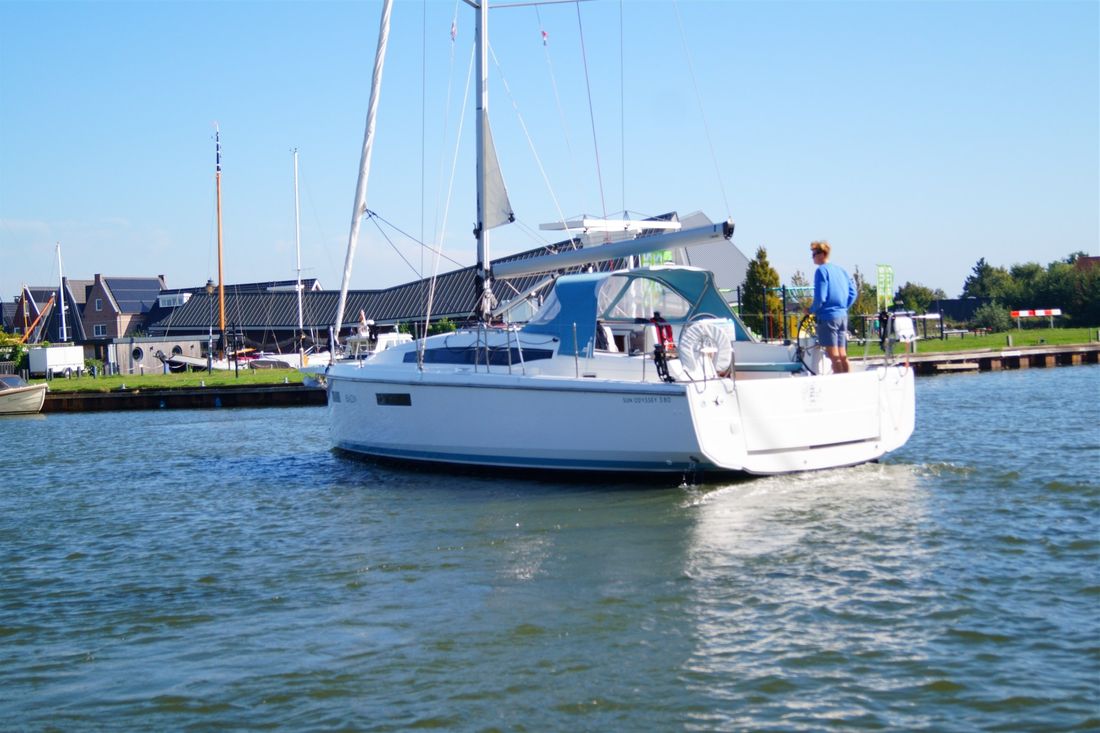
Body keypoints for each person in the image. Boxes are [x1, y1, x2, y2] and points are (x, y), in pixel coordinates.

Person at [807, 240, 857, 373]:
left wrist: (810, 310)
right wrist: (843, 307)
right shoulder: (841, 270)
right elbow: (853, 293)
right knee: (843, 355)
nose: (812, 257)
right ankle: (849, 380)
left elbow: (820, 298)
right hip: (842, 316)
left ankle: (840, 382)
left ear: (822, 254)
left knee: (834, 356)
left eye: (814, 254)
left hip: (828, 317)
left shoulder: (821, 271)